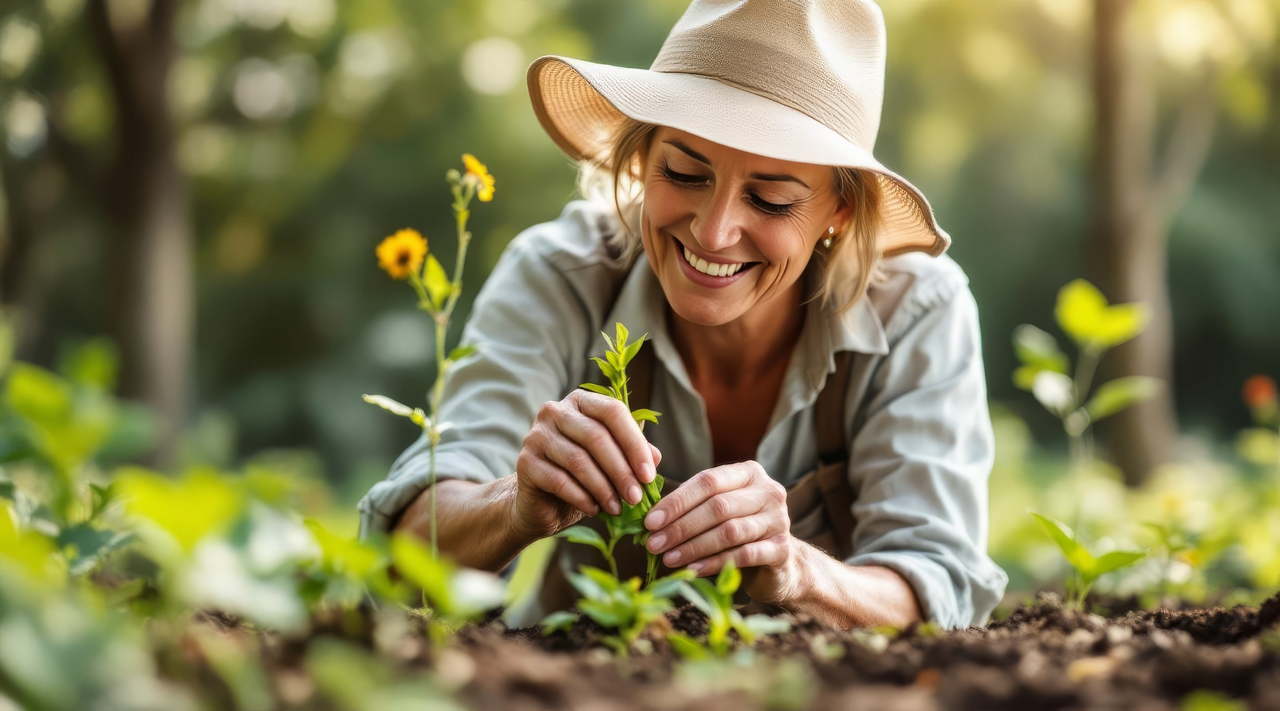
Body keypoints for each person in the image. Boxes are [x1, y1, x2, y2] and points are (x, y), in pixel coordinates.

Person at [358, 0, 1008, 630]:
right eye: (684, 172)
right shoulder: (560, 275)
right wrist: (515, 505)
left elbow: (934, 581)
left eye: (772, 199)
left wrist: (795, 571)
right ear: (640, 156)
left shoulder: (913, 312)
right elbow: (404, 547)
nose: (715, 230)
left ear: (838, 212)